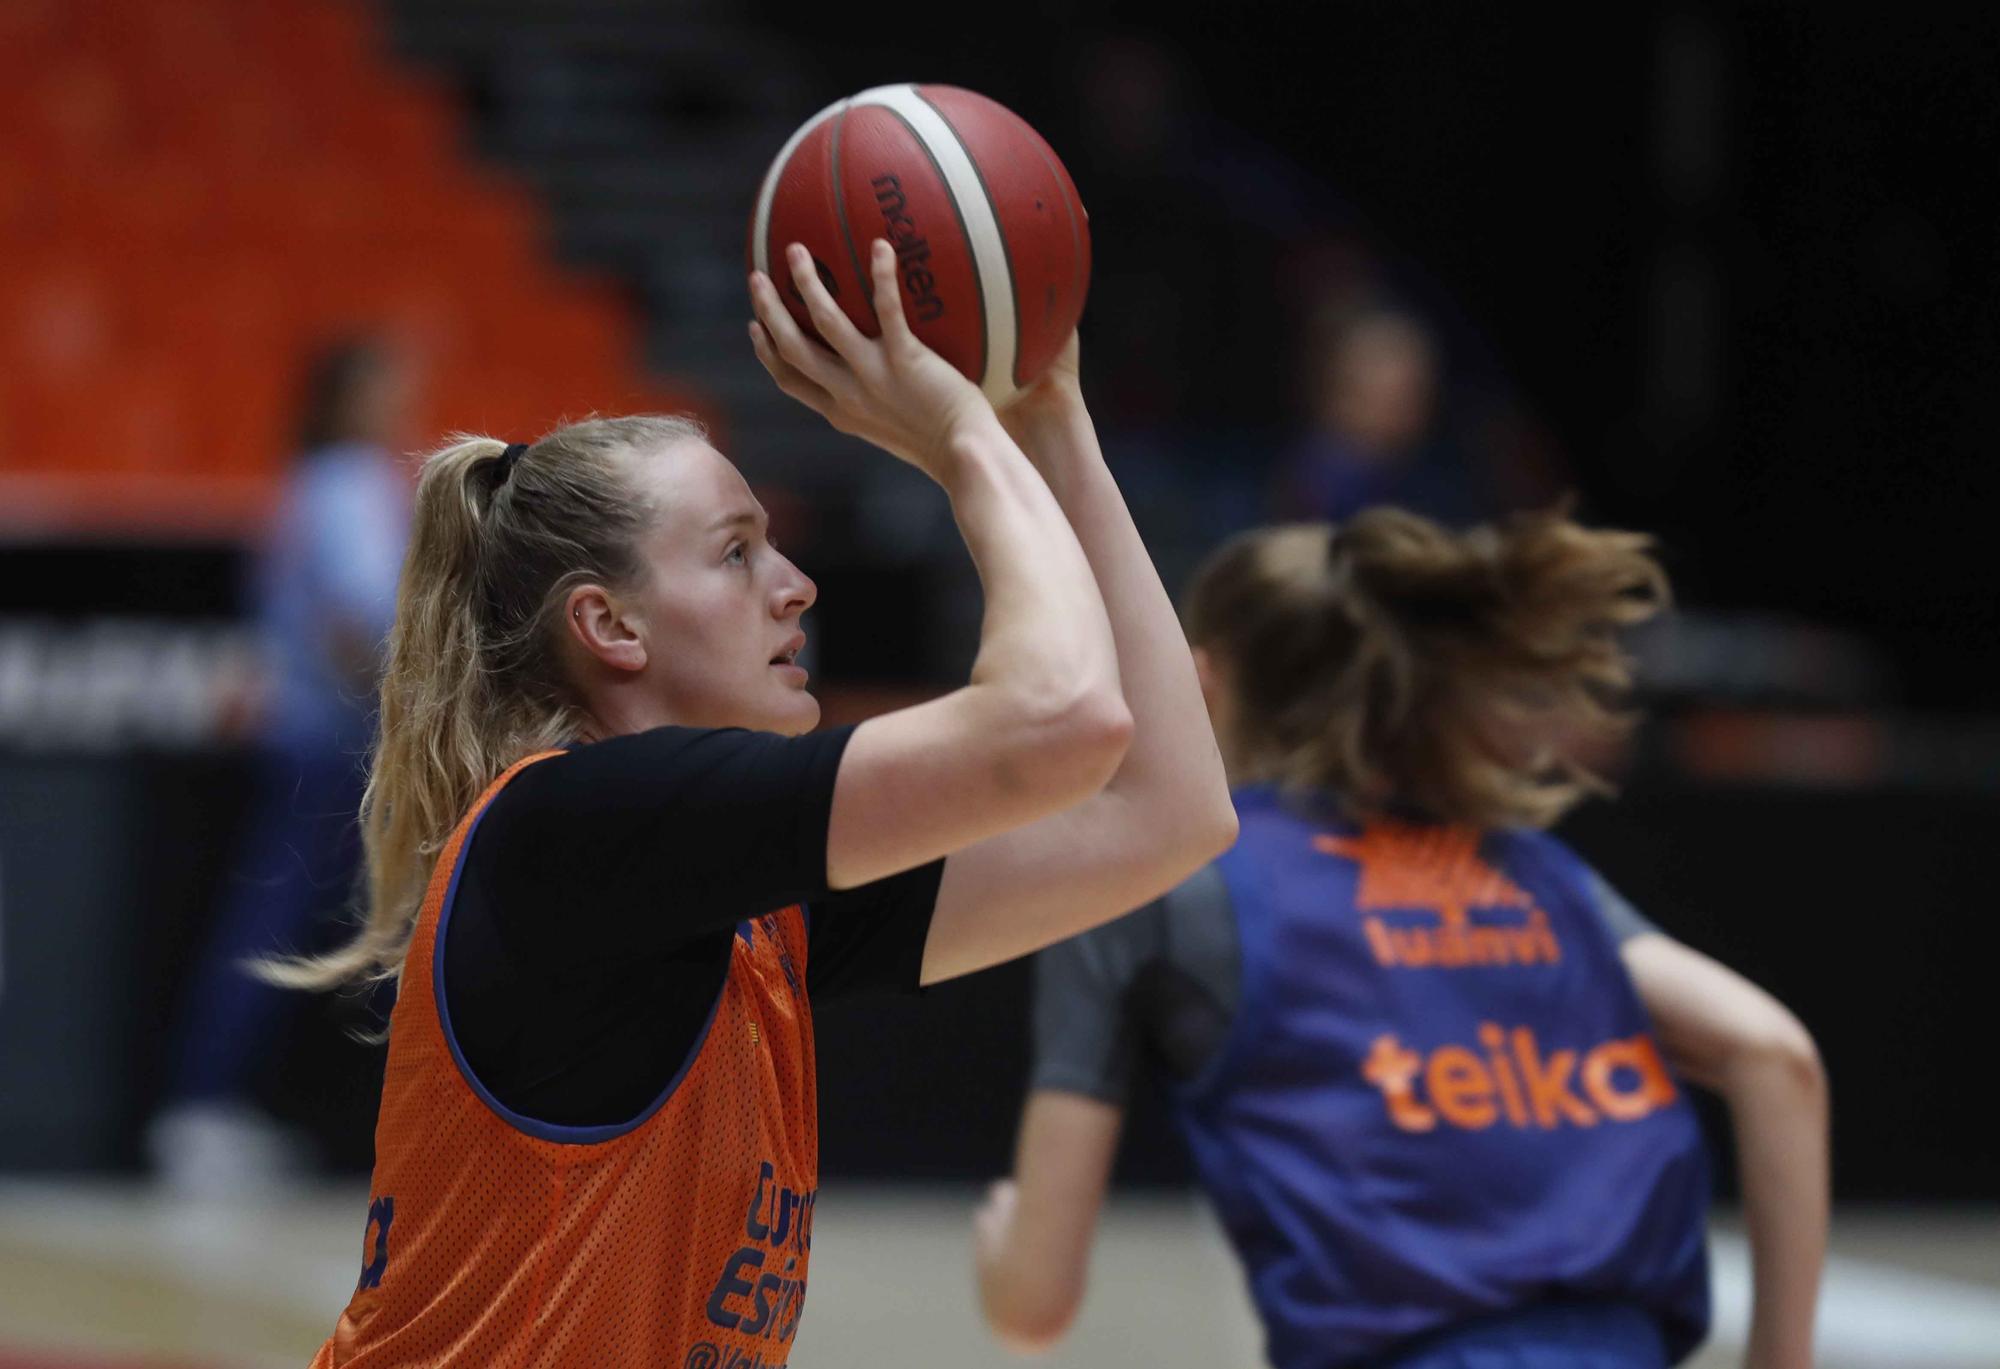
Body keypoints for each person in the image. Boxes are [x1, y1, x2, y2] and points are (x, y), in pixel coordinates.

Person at [271, 240, 1235, 1366]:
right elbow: (1058, 719)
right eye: (735, 554)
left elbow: (1167, 811)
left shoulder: (733, 900)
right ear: (609, 627)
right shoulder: (580, 830)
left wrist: (1050, 418)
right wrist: (966, 439)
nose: (796, 584)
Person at [976, 509, 1829, 1369]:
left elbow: (1036, 1305)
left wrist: (1006, 1250)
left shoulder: (1152, 886)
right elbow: (1775, 1053)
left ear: (1202, 681)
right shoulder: (1529, 871)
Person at [150, 339, 417, 1196]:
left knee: (330, 923)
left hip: (323, 737)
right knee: (282, 918)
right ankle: (202, 1104)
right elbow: (357, 622)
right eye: (381, 386)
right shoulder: (344, 485)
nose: (399, 401)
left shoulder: (323, 482)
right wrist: (412, 714)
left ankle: (220, 1102)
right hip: (331, 743)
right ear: (344, 399)